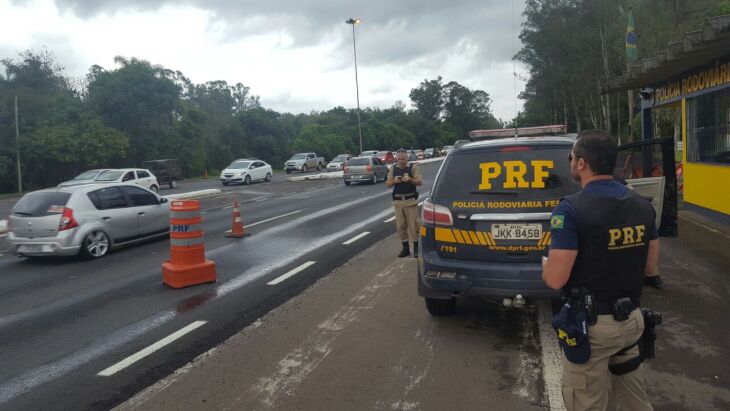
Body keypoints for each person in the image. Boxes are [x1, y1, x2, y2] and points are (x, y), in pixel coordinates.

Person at [542, 130, 659, 411]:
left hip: (593, 328)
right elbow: (651, 267)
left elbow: (556, 279)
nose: (570, 162)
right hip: (631, 322)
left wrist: (546, 267)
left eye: (571, 157)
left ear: (582, 163)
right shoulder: (642, 205)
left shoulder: (570, 210)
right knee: (635, 401)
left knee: (586, 402)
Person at [386, 149, 423, 258]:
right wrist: (394, 181)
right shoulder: (393, 168)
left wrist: (410, 179)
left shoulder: (413, 167)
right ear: (396, 158)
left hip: (410, 201)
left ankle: (416, 248)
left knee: (414, 225)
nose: (401, 161)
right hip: (398, 202)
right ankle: (405, 248)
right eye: (399, 159)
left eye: (403, 159)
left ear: (407, 158)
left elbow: (419, 182)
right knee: (400, 226)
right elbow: (388, 183)